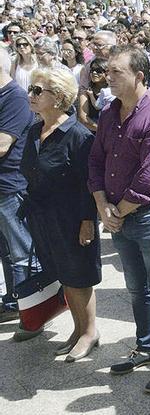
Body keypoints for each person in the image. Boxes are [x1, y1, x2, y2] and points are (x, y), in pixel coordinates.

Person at [87, 45, 150, 393]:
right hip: (117, 214)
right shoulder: (111, 112)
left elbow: (148, 179)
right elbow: (96, 161)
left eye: (116, 72)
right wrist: (102, 206)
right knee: (136, 287)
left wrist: (116, 213)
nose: (107, 77)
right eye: (108, 71)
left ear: (139, 76)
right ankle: (146, 347)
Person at [20, 69, 101, 358]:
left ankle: (89, 331)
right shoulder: (34, 130)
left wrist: (87, 221)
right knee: (65, 274)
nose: (30, 95)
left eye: (37, 90)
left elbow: (89, 184)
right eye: (31, 89)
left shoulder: (77, 135)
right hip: (43, 217)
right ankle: (78, 329)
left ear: (58, 97)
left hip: (72, 218)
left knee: (79, 275)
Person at [0, 49, 36, 331]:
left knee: (21, 250)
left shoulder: (14, 97)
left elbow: (2, 144)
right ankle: (14, 302)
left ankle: (32, 310)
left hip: (10, 186)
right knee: (6, 250)